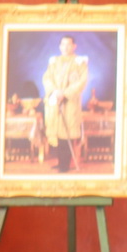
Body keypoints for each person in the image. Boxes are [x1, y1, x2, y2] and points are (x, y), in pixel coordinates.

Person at [41, 36, 90, 172]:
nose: (65, 47)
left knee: (66, 133)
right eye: (63, 44)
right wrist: (55, 91)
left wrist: (65, 93)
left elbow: (82, 82)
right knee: (57, 133)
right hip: (55, 100)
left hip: (70, 102)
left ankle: (65, 165)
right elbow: (47, 78)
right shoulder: (54, 62)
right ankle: (60, 162)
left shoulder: (79, 62)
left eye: (68, 45)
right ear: (59, 46)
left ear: (74, 46)